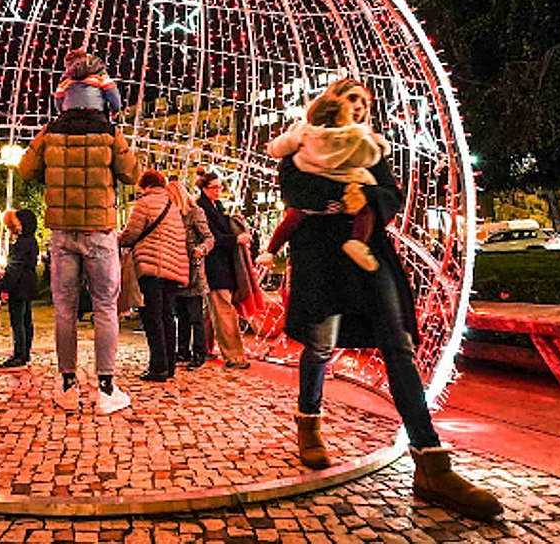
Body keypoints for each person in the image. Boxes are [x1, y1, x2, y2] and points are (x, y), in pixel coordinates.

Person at [284, 77, 501, 521]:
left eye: (365, 101)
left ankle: (430, 459)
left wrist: (363, 195)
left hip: (369, 254)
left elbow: (391, 194)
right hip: (321, 258)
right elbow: (293, 189)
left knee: (397, 345)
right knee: (321, 344)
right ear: (332, 104)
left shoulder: (372, 147)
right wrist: (338, 197)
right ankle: (309, 422)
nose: (360, 108)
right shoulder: (301, 141)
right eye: (351, 100)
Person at [19, 96, 140, 415]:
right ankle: (106, 389)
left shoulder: (51, 132)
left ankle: (68, 386)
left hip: (62, 231)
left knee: (64, 309)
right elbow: (131, 174)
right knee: (104, 306)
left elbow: (26, 169)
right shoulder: (109, 133)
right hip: (99, 231)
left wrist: (52, 167)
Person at [262, 94, 388, 272]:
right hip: (346, 181)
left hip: (307, 173)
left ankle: (270, 250)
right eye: (352, 102)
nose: (358, 108)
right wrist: (379, 146)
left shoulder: (303, 134)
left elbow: (277, 148)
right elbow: (370, 156)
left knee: (293, 216)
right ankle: (358, 242)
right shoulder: (352, 137)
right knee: (365, 211)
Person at [119, 170, 188, 381]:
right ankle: (169, 365)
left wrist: (117, 240)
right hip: (174, 268)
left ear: (145, 186)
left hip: (152, 266)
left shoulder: (144, 203)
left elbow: (132, 233)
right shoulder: (173, 205)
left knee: (152, 316)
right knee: (167, 316)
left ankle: (158, 367)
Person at [195, 172, 250, 370]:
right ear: (204, 188)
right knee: (224, 311)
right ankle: (234, 356)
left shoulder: (216, 207)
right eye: (214, 187)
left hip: (221, 265)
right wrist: (235, 239)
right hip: (214, 266)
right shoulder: (202, 208)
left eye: (220, 187)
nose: (218, 191)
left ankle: (201, 348)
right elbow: (212, 237)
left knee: (212, 311)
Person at [166, 179, 213, 370]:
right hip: (177, 269)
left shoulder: (194, 213)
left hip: (192, 269)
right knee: (182, 315)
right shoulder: (170, 215)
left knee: (195, 315)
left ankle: (199, 353)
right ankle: (183, 350)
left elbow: (209, 237)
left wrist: (200, 249)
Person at [0, 209, 39, 369]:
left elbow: (15, 268)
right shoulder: (31, 240)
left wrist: (3, 286)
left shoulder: (21, 243)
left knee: (18, 320)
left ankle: (19, 354)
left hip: (20, 285)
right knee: (26, 319)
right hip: (28, 283)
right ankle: (25, 352)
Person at [54, 49, 122, 118]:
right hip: (94, 114)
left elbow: (58, 99)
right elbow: (113, 94)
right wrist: (115, 110)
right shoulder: (101, 78)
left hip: (69, 115)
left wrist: (62, 113)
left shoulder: (66, 82)